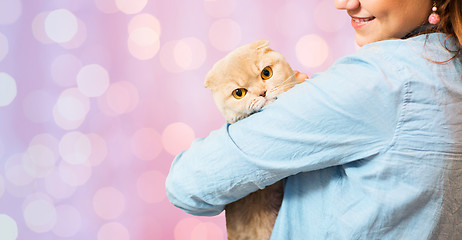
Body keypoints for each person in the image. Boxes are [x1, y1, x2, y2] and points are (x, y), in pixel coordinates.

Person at [166, 0, 462, 238]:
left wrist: (280, 111)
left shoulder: (382, 78)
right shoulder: (450, 65)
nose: (343, 3)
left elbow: (187, 184)